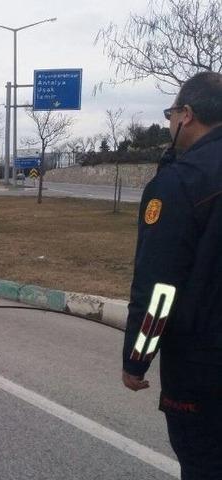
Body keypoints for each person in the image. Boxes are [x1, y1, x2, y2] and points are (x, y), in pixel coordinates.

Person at [120, 71, 222, 479]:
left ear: (187, 114)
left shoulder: (179, 184)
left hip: (203, 370)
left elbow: (160, 291)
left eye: (170, 112)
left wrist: (136, 359)